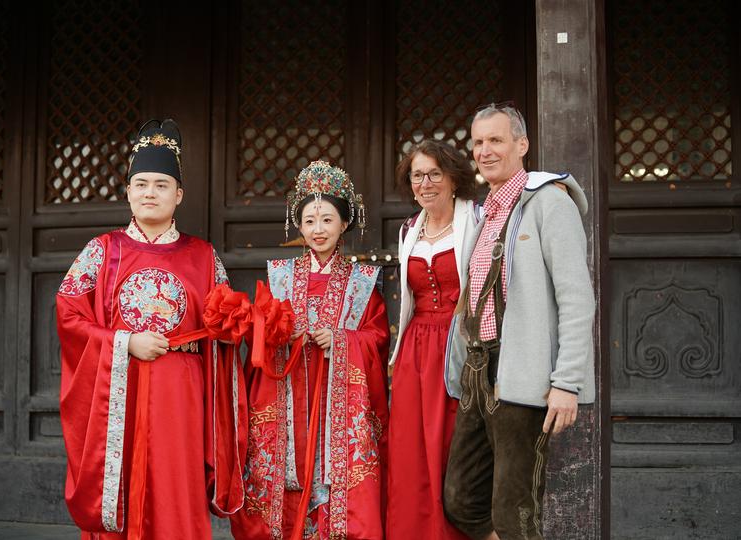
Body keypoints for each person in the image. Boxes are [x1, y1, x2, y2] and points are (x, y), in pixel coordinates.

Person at [56, 119, 245, 539]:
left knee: (177, 483)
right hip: (122, 386)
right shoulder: (102, 251)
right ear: (127, 192)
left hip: (182, 390)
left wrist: (237, 325)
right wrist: (124, 342)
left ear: (178, 195)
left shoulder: (203, 255)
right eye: (140, 184)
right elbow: (69, 313)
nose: (149, 193)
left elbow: (225, 319)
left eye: (161, 185)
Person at [442, 103, 596, 540]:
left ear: (522, 145)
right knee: (461, 500)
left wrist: (566, 382)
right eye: (478, 142)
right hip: (477, 371)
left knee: (516, 511)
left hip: (522, 375)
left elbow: (576, 298)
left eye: (496, 140)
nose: (485, 150)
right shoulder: (485, 211)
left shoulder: (551, 203)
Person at [229, 160, 390, 540]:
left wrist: (343, 340)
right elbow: (258, 339)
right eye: (310, 221)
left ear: (344, 223)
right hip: (287, 398)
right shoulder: (279, 277)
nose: (318, 230)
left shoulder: (362, 283)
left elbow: (377, 337)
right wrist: (269, 330)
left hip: (337, 404)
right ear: (298, 225)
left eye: (328, 220)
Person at [386, 139, 478, 540]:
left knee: (449, 447)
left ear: (454, 178)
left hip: (456, 346)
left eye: (433, 174)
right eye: (416, 176)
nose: (424, 183)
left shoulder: (476, 219)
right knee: (409, 451)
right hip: (414, 349)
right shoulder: (409, 230)